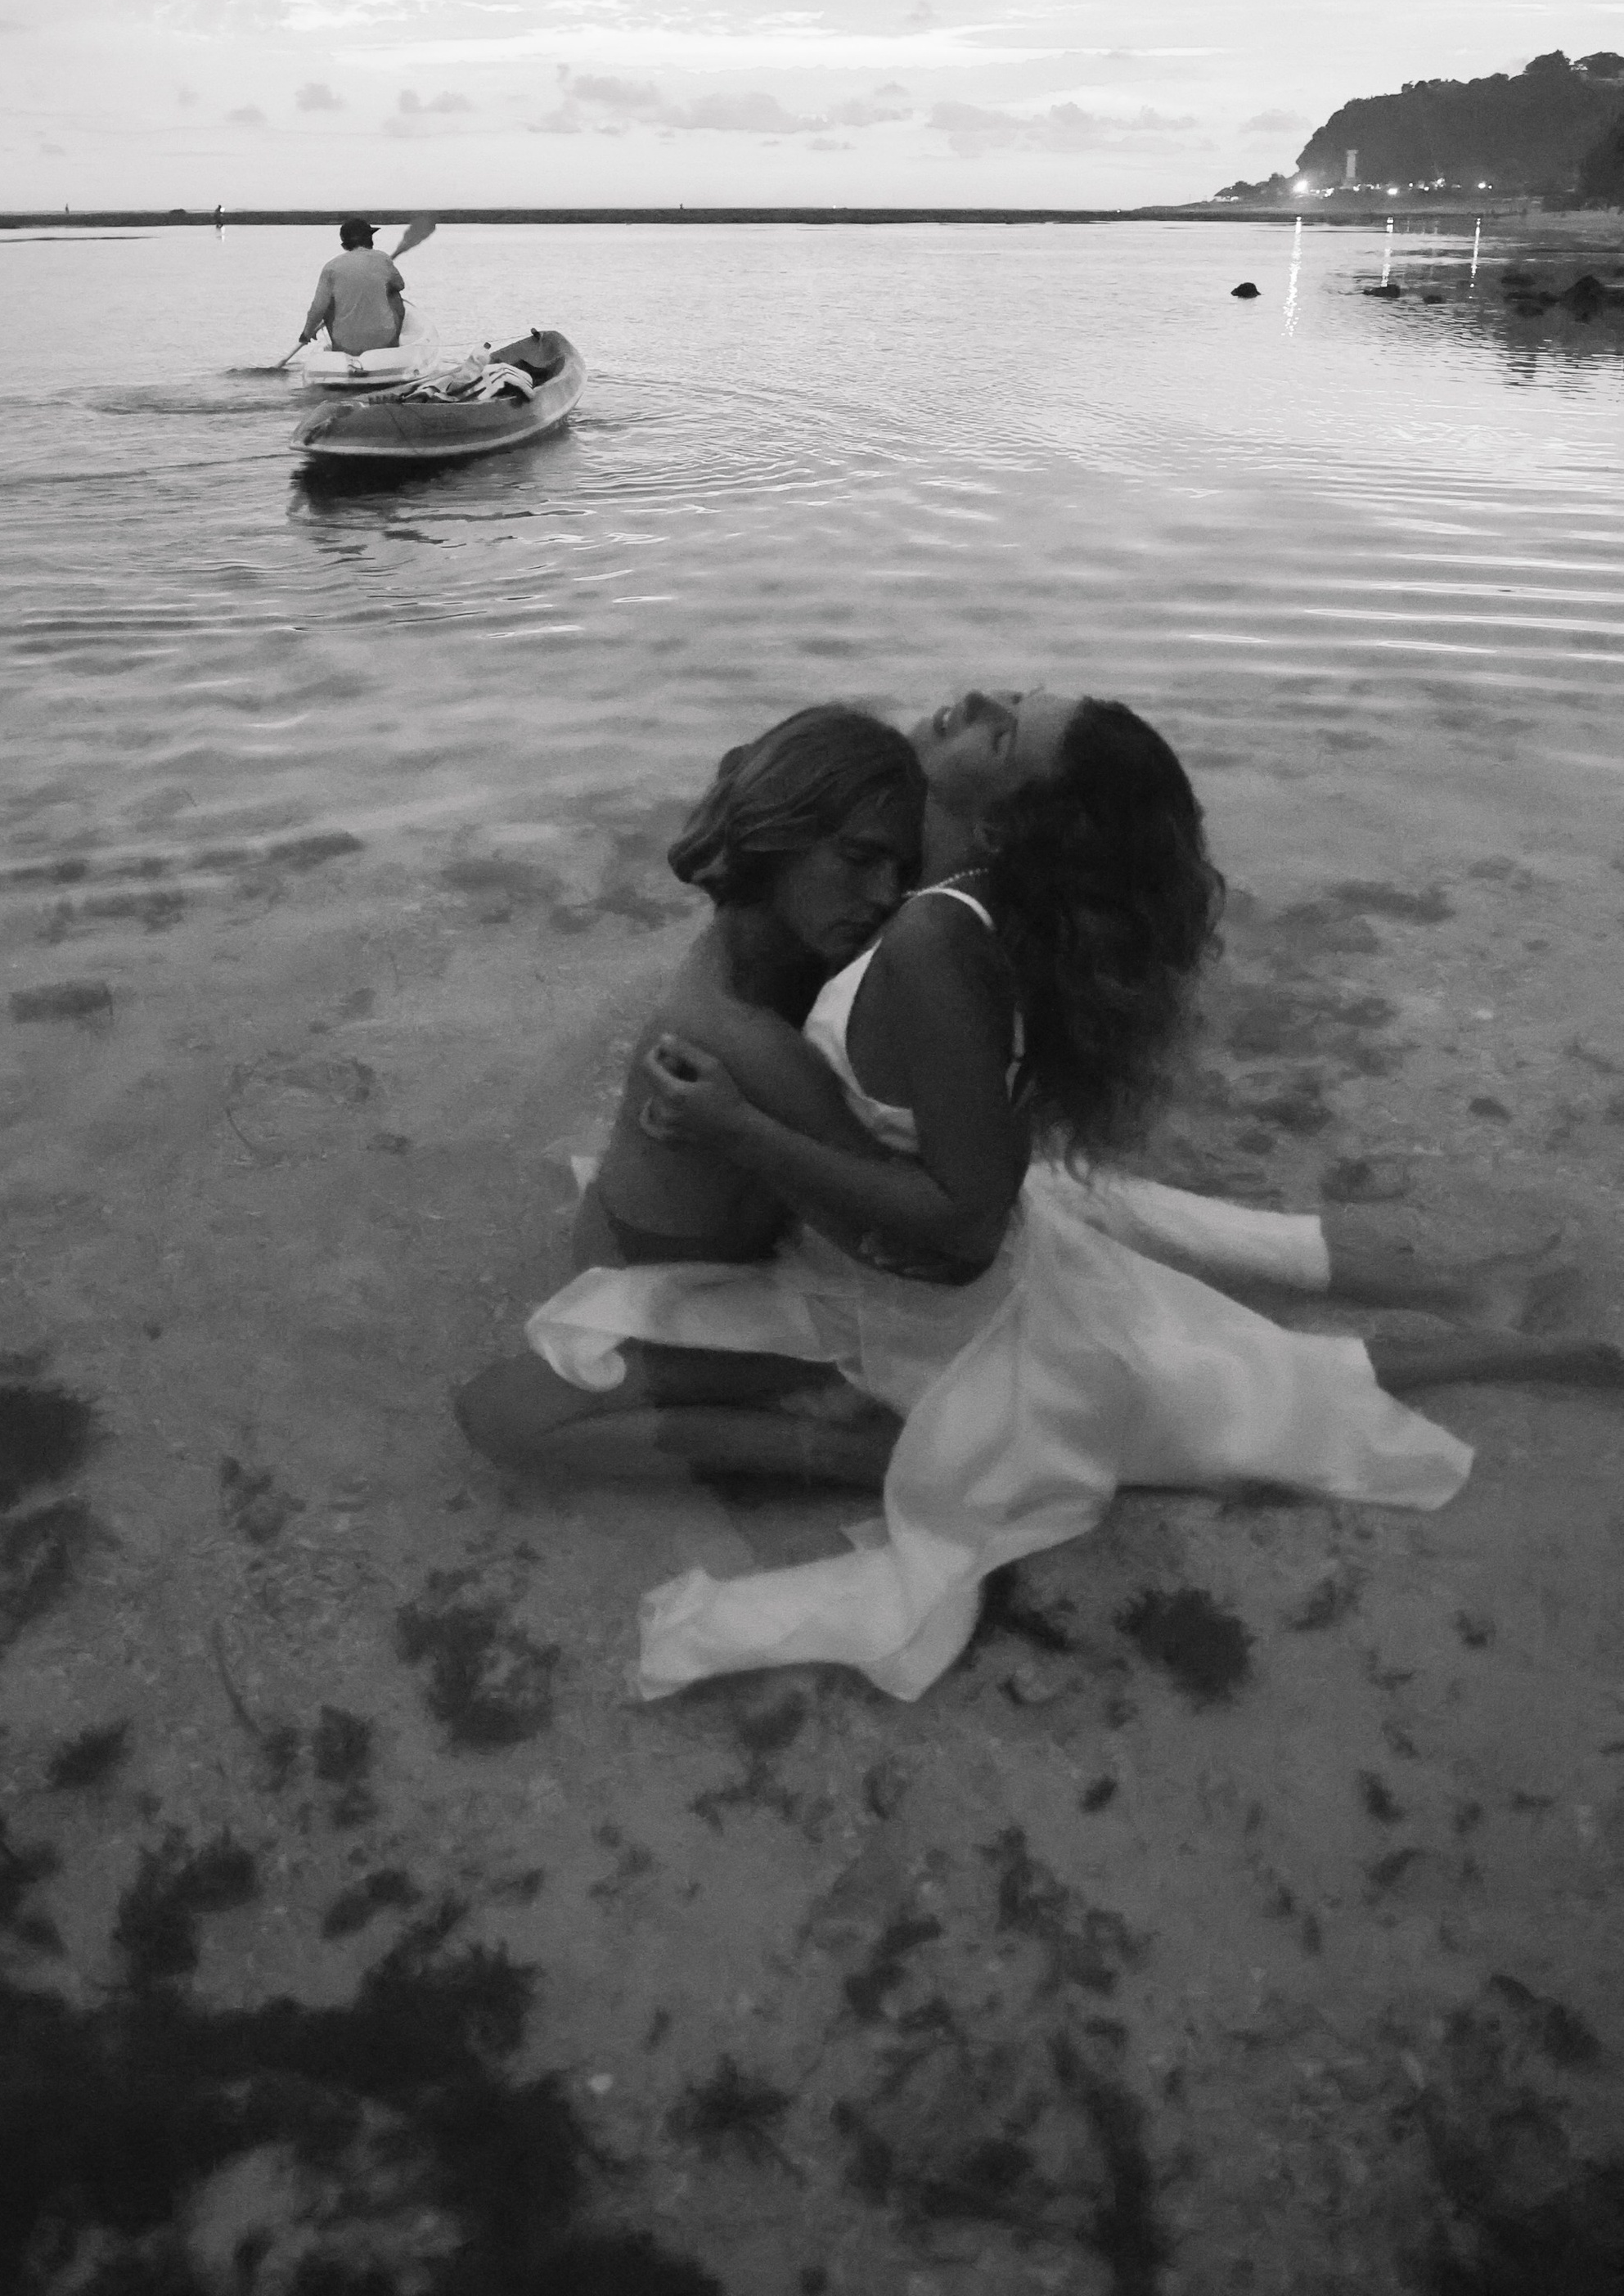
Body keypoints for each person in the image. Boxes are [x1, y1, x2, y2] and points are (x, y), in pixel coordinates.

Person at [458, 687, 1620, 1701]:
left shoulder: (923, 933)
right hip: (934, 1238)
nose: (967, 701)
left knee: (1229, 1383)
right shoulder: (939, 893)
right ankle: (1477, 1303)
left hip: (921, 1282)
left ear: (1006, 817)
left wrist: (738, 1130)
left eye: (1000, 730)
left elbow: (947, 1226)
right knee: (1200, 1340)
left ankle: (1494, 1335)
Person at [291, 216, 434, 359]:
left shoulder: (331, 267)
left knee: (330, 304)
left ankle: (338, 352)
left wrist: (307, 333)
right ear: (369, 239)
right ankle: (394, 347)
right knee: (394, 294)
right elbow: (400, 285)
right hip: (383, 342)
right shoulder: (382, 259)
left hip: (345, 345)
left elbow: (318, 308)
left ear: (344, 244)